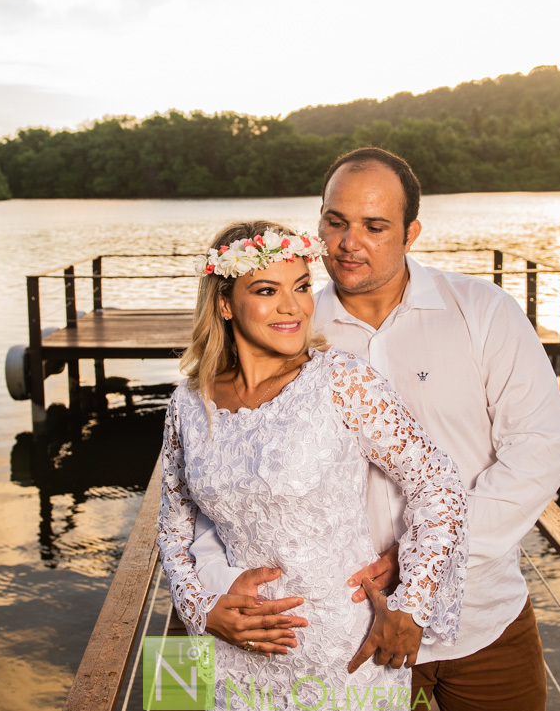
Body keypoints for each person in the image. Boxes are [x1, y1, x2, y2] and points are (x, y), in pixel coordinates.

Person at [191, 150, 560, 711]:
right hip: (343, 637)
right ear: (318, 222)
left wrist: (420, 559)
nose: (349, 243)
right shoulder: (286, 328)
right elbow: (216, 479)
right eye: (336, 222)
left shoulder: (484, 311)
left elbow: (541, 453)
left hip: (482, 617)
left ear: (411, 232)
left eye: (374, 226)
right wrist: (214, 589)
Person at [155, 220, 469, 711]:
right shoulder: (189, 404)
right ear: (223, 303)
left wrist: (413, 605)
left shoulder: (342, 382)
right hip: (233, 650)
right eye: (266, 290)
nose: (293, 306)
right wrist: (202, 609)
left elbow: (440, 485)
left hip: (339, 652)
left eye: (302, 287)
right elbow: (173, 523)